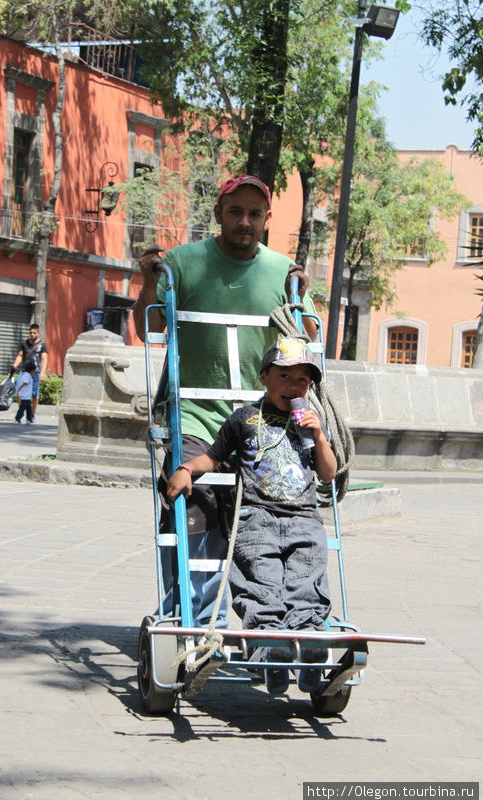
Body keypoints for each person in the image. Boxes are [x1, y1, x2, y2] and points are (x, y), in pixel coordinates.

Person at [133, 174, 318, 628]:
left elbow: (307, 340)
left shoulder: (282, 271)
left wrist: (300, 302)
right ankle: (192, 617)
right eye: (236, 211)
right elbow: (148, 328)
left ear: (267, 220)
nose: (245, 221)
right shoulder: (183, 263)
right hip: (196, 414)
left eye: (255, 214)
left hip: (262, 421)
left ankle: (276, 617)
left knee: (275, 517)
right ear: (218, 214)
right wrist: (148, 280)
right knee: (195, 506)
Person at [166, 336, 336, 694]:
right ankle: (268, 648)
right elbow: (212, 456)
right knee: (262, 580)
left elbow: (328, 473)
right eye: (284, 377)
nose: (293, 387)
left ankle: (309, 647)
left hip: (305, 517)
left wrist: (319, 436)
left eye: (302, 380)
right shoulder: (244, 418)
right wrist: (185, 468)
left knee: (307, 580)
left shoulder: (311, 422)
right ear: (264, 377)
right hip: (256, 518)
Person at [13, 323, 48, 420]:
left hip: (35, 372)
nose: (32, 334)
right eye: (30, 333)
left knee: (34, 395)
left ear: (38, 333)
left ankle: (32, 414)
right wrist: (13, 367)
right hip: (24, 371)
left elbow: (44, 358)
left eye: (34, 333)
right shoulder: (24, 343)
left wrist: (43, 373)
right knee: (19, 392)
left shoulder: (42, 345)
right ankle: (21, 411)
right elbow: (20, 356)